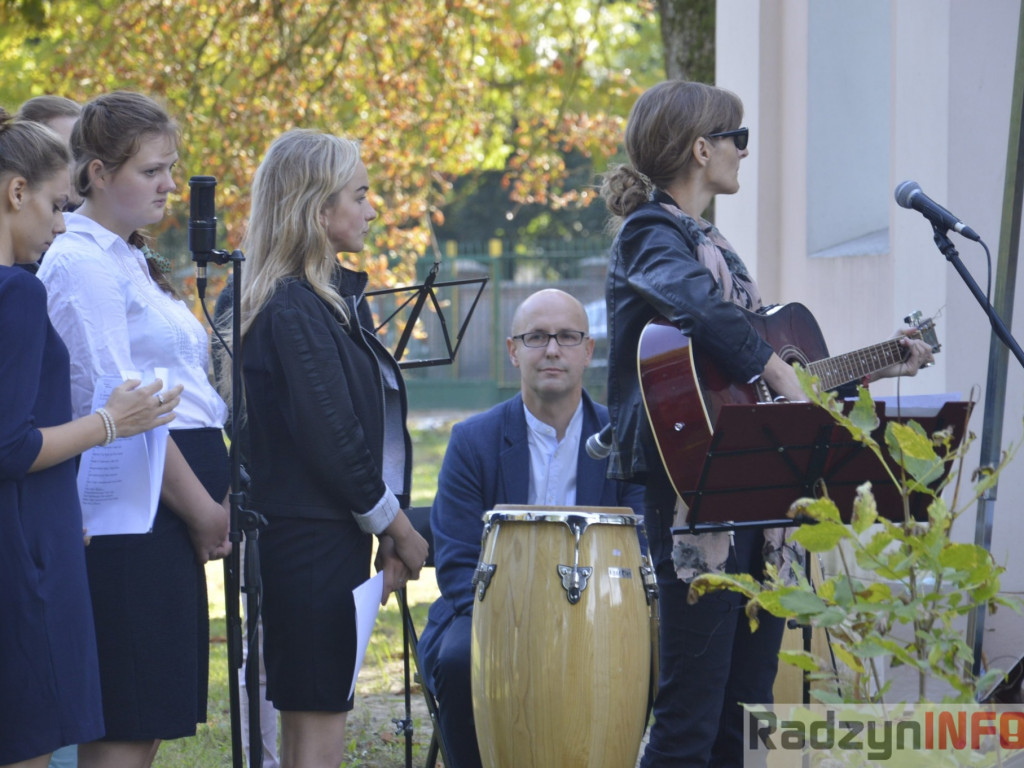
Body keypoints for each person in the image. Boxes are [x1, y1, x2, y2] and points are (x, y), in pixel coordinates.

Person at [599, 79, 935, 768]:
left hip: (757, 496)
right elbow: (702, 313)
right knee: (689, 717)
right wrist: (779, 372)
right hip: (694, 493)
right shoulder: (650, 234)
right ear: (701, 149)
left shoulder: (714, 244)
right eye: (738, 138)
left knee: (744, 710)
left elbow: (769, 388)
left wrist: (880, 366)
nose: (745, 153)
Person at [36, 91, 232, 768]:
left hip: (164, 509)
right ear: (97, 173)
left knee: (148, 716)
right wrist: (204, 510)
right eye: (151, 170)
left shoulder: (123, 255)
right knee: (127, 716)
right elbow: (121, 407)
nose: (169, 184)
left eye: (170, 168)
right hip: (131, 509)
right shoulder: (81, 261)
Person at [230, 128, 429, 768]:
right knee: (317, 724)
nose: (372, 209)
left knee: (310, 714)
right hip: (309, 544)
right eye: (360, 194)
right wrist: (398, 528)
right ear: (319, 210)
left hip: (317, 537)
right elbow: (335, 438)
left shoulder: (314, 299)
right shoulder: (294, 306)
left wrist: (383, 526)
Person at [0, 109, 179, 768]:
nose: (60, 225)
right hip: (25, 552)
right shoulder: (16, 294)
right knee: (28, 741)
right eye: (55, 206)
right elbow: (10, 445)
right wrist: (111, 422)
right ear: (16, 192)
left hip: (37, 525)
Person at [417, 288, 646, 768]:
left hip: (602, 614)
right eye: (537, 337)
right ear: (513, 350)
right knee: (460, 661)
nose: (552, 350)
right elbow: (457, 560)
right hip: (490, 613)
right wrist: (520, 625)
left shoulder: (624, 440)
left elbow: (641, 546)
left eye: (567, 337)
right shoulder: (472, 441)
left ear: (588, 350)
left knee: (652, 657)